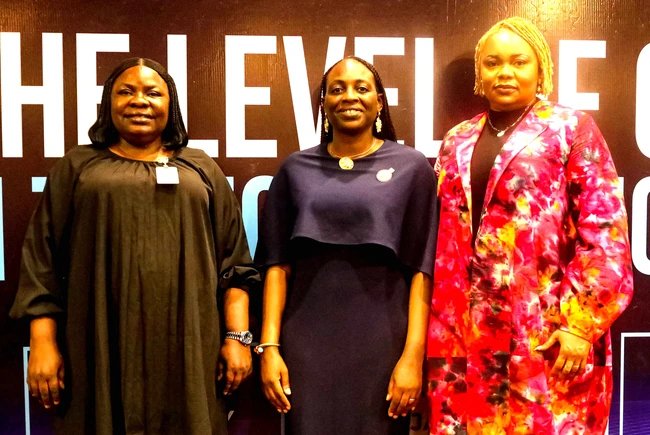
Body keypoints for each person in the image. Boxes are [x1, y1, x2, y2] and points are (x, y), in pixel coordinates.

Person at [10, 57, 260, 435]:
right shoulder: (77, 167)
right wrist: (42, 341)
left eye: (152, 93)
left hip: (190, 345)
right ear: (108, 104)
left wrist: (237, 338)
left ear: (171, 104)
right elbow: (41, 259)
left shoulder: (201, 168)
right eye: (125, 91)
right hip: (97, 344)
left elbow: (235, 262)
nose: (139, 100)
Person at [427, 17, 633, 434]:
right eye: (492, 63)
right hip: (464, 341)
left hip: (545, 335)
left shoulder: (570, 129)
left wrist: (579, 325)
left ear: (540, 68)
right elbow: (442, 244)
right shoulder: (456, 141)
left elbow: (605, 231)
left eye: (518, 62)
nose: (504, 72)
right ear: (480, 74)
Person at [255, 56, 438, 435]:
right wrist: (269, 347)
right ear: (324, 104)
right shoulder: (294, 169)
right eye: (337, 89)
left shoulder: (412, 167)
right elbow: (276, 265)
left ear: (379, 102)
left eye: (361, 88)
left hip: (383, 343)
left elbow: (423, 269)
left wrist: (413, 356)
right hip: (306, 344)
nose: (349, 96)